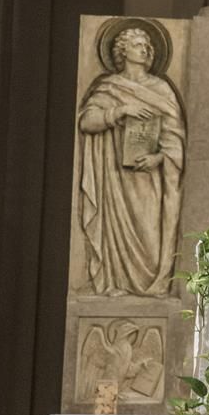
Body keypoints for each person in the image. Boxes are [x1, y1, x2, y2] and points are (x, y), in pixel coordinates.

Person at [78, 27, 185, 296]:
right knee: (116, 232)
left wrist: (159, 157)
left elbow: (175, 137)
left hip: (150, 177)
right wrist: (121, 111)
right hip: (115, 178)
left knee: (150, 235)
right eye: (137, 44)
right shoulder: (109, 88)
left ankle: (153, 283)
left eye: (147, 45)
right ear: (122, 50)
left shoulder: (160, 88)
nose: (145, 49)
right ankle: (116, 282)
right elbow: (87, 122)